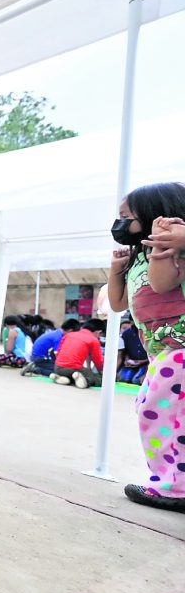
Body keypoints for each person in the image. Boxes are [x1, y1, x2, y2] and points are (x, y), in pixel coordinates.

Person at [108, 181, 185, 511]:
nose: (120, 224)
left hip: (179, 349)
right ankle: (170, 480)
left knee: (162, 415)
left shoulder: (173, 252)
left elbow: (161, 283)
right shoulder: (137, 258)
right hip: (161, 353)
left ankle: (173, 487)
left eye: (127, 216)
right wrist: (116, 270)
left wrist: (165, 245)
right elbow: (117, 303)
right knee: (152, 410)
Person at [52, 318, 106, 388]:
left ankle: (65, 379)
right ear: (98, 332)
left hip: (57, 368)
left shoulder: (69, 335)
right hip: (74, 368)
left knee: (77, 373)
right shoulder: (93, 340)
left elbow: (59, 351)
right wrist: (101, 371)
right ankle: (86, 381)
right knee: (98, 379)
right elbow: (98, 360)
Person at [116, 316, 149, 384]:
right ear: (131, 321)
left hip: (147, 364)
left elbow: (156, 355)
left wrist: (143, 361)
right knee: (121, 378)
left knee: (136, 380)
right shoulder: (127, 333)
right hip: (131, 364)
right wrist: (126, 359)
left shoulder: (151, 332)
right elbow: (124, 351)